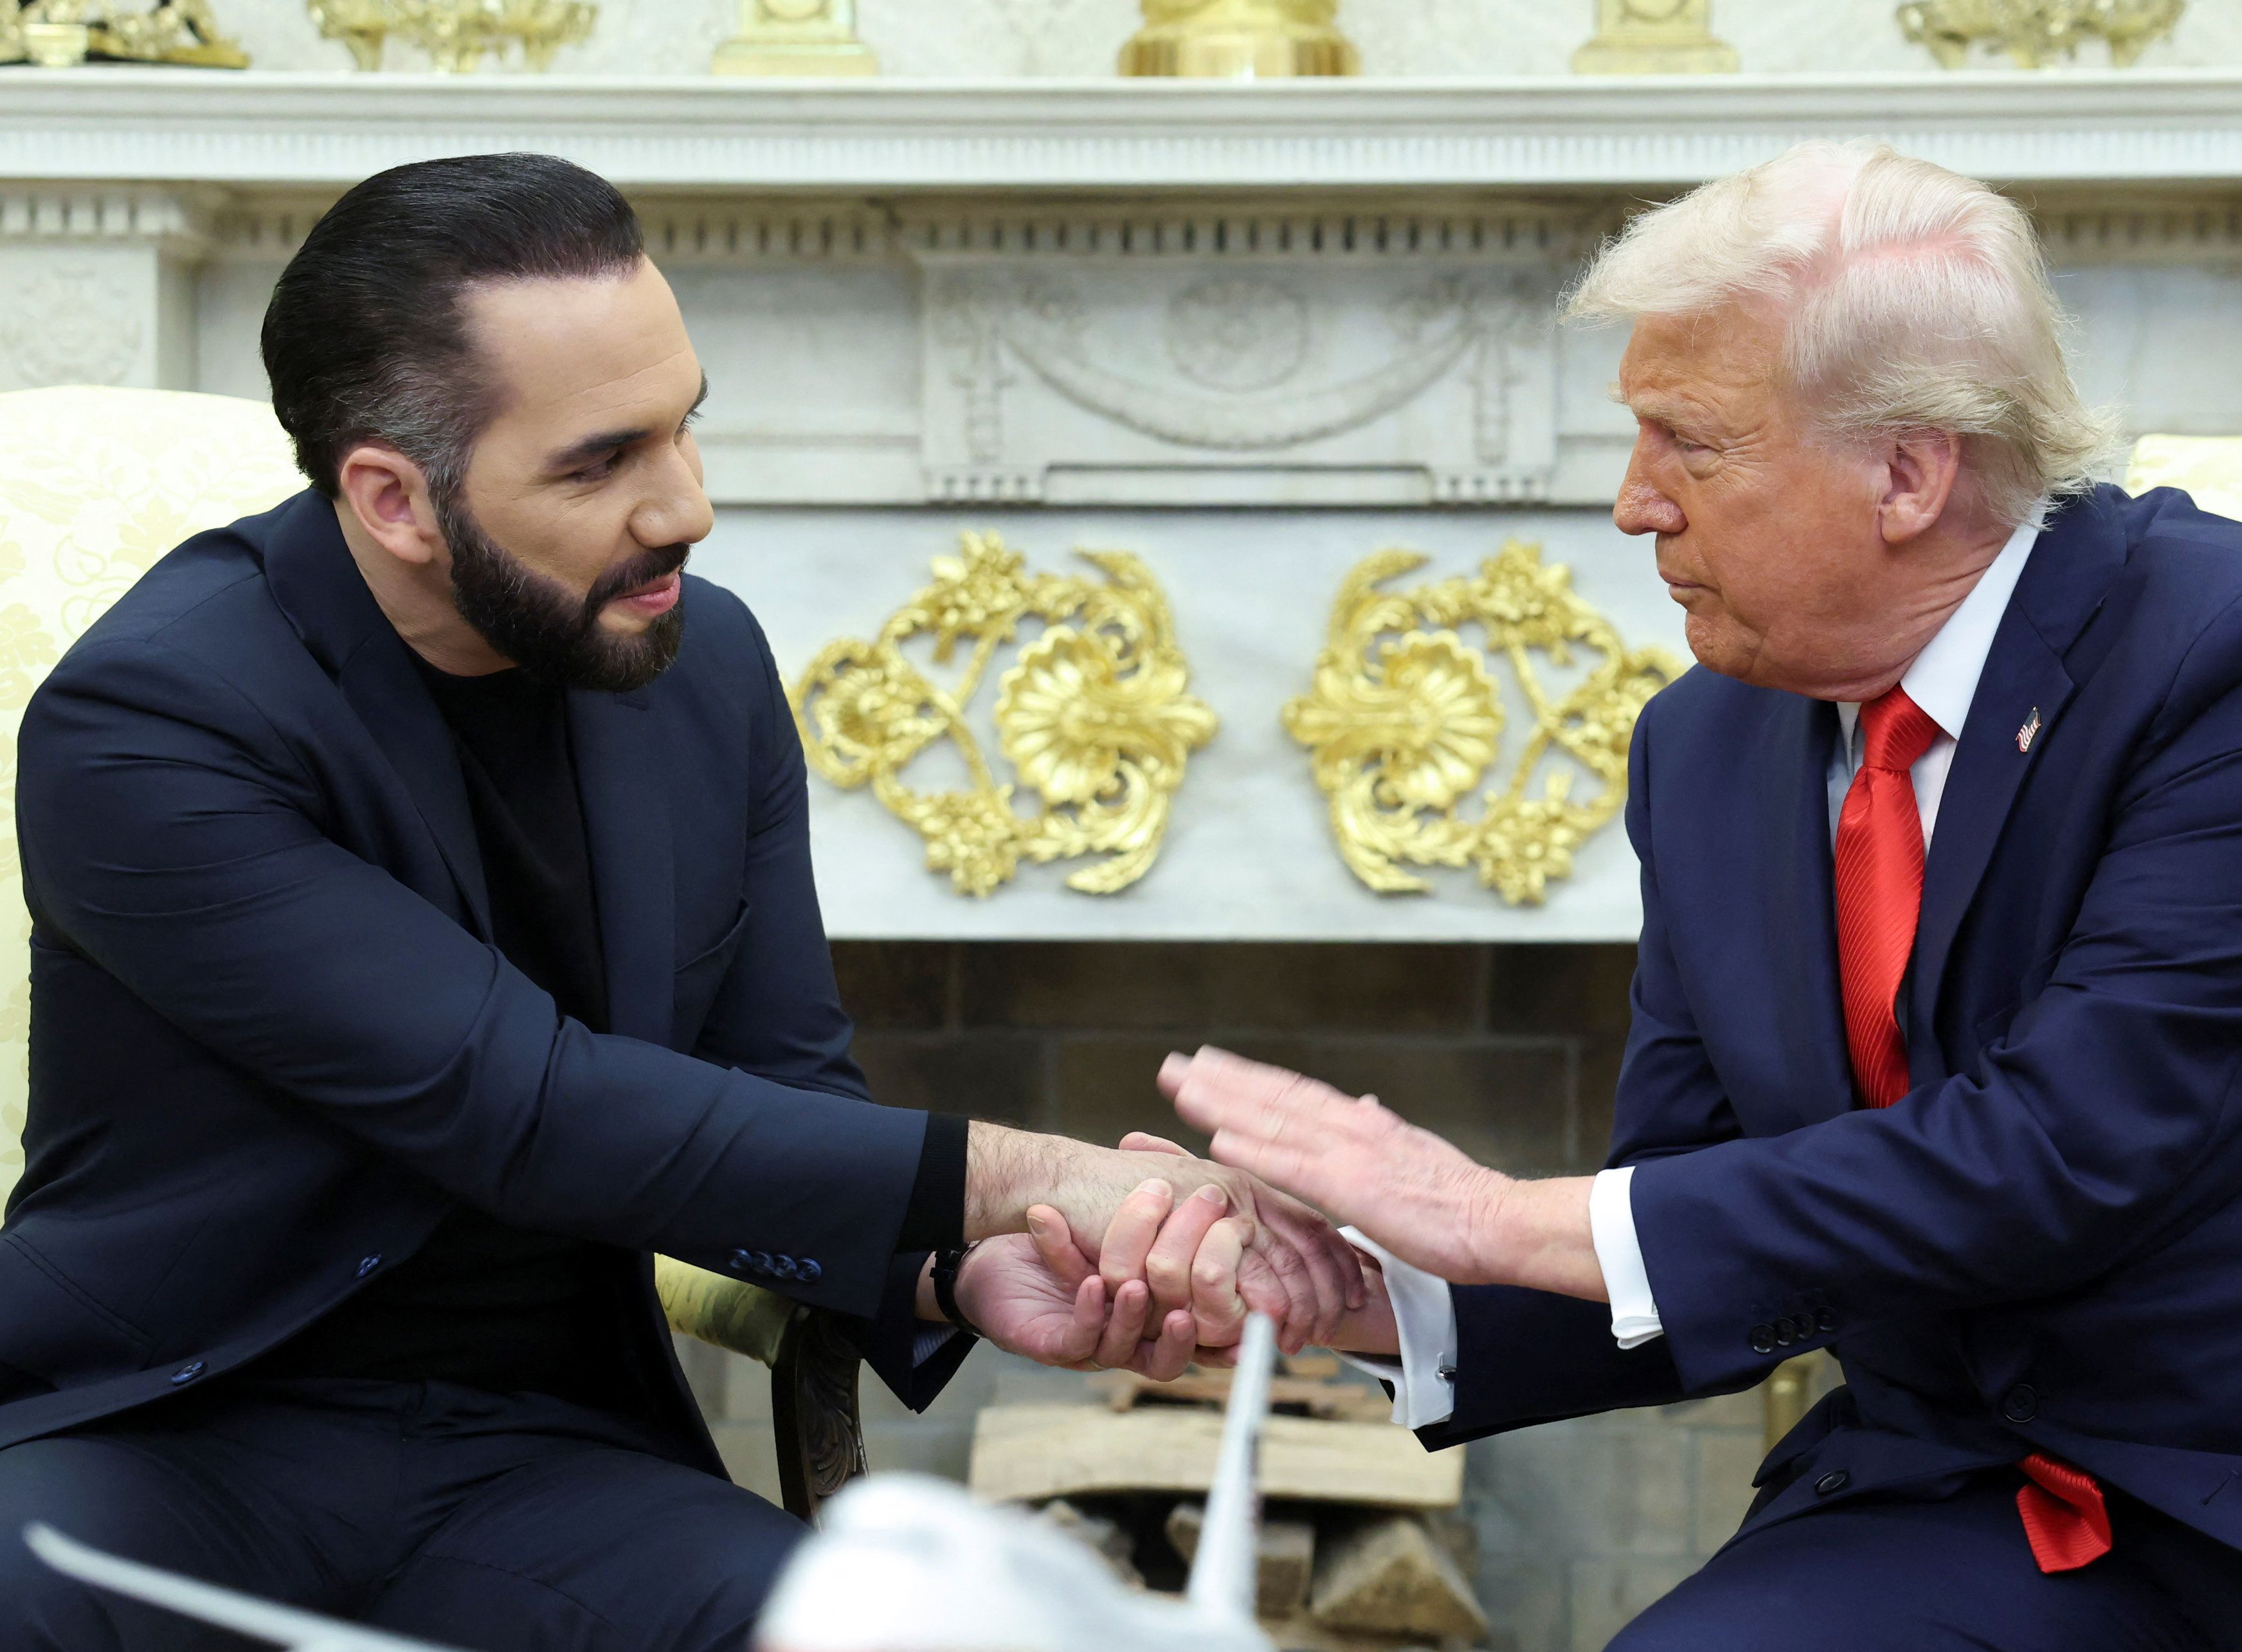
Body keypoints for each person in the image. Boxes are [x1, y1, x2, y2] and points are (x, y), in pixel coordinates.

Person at [0, 152, 1358, 1651]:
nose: (685, 507)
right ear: (393, 498)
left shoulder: (700, 668)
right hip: (162, 1431)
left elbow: (777, 1088)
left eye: (683, 425)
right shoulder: (150, 718)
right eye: (598, 464)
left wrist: (957, 1267)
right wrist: (1028, 1167)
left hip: (544, 1459)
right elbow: (517, 1101)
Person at [1155, 141, 2242, 1649]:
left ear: (1906, 471)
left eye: (1689, 446)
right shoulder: (1705, 743)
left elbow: (2065, 1150)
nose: (1632, 505)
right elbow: (1699, 1194)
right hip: (1952, 1491)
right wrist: (1366, 1293)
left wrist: (1483, 1209)